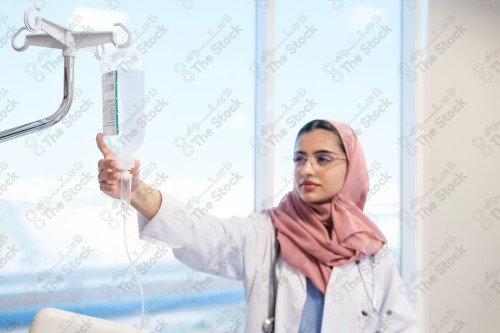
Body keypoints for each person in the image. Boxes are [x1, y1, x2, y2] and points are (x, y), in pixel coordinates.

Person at [96, 119, 418, 332]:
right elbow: (204, 235)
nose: (306, 169)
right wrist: (136, 192)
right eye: (299, 158)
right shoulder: (268, 232)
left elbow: (402, 327)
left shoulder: (371, 252)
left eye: (322, 159)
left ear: (352, 168)